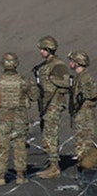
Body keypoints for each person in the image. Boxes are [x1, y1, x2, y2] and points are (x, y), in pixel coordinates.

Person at [0, 52, 37, 185]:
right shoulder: (24, 81)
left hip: (3, 118)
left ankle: (0, 177)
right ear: (16, 64)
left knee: (1, 147)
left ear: (3, 64)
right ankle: (20, 176)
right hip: (20, 118)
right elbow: (35, 96)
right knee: (20, 147)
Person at [33, 35, 71, 178]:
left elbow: (66, 83)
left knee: (51, 134)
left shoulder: (58, 65)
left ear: (49, 49)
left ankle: (54, 167)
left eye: (43, 49)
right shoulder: (45, 65)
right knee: (46, 134)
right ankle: (52, 164)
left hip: (54, 103)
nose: (41, 52)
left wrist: (50, 79)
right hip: (46, 104)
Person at [69, 51, 97, 164]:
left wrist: (83, 97)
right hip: (80, 112)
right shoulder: (78, 77)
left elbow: (93, 93)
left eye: (72, 61)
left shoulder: (85, 77)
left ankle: (88, 166)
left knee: (86, 141)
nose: (70, 63)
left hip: (85, 112)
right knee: (80, 140)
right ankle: (84, 164)